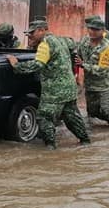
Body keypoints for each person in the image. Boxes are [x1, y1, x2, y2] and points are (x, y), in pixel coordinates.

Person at [6, 19, 90, 149]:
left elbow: (38, 64)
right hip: (69, 88)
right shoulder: (62, 40)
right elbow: (73, 45)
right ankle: (85, 141)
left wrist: (16, 65)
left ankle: (50, 147)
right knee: (72, 117)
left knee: (44, 117)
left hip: (54, 91)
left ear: (41, 30)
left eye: (32, 34)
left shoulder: (45, 44)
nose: (30, 36)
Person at [76, 16, 109, 127]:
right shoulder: (84, 41)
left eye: (96, 30)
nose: (92, 32)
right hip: (90, 84)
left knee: (106, 111)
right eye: (90, 29)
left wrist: (83, 65)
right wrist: (76, 73)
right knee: (92, 113)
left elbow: (101, 70)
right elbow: (77, 56)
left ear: (103, 31)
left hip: (105, 85)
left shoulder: (107, 47)